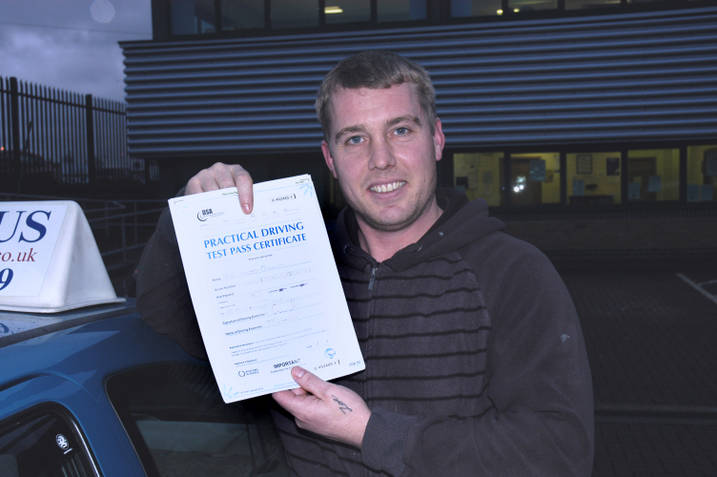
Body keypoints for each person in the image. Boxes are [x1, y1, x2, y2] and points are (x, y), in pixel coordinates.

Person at [136, 50, 594, 476]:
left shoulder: (512, 272)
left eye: (401, 130)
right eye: (355, 138)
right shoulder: (292, 261)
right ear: (329, 159)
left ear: (436, 139)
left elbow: (557, 452)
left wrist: (370, 433)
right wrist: (190, 216)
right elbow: (163, 311)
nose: (381, 160)